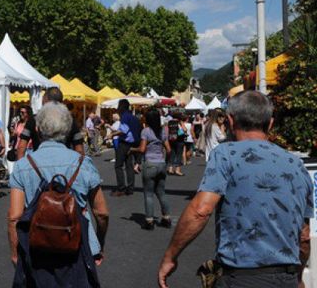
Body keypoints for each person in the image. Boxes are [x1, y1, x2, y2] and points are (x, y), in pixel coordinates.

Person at [158, 91, 312, 288]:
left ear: (230, 120)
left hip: (241, 277)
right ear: (270, 123)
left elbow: (200, 210)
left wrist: (171, 256)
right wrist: (297, 277)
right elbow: (304, 236)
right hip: (286, 278)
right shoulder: (296, 164)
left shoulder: (225, 154)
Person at [8, 102, 109, 287]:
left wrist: (16, 253)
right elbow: (101, 213)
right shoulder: (83, 163)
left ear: (38, 129)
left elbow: (14, 217)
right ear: (67, 130)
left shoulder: (23, 165)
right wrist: (99, 243)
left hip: (37, 248)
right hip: (77, 246)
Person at [130, 109, 172, 230]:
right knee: (161, 192)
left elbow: (142, 149)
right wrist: (166, 162)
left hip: (150, 164)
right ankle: (166, 218)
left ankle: (149, 221)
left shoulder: (146, 131)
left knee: (148, 194)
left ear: (147, 119)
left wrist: (132, 149)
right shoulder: (163, 131)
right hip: (161, 164)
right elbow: (168, 150)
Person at [15, 87, 85, 159]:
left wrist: (21, 165)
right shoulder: (70, 120)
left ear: (44, 100)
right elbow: (79, 150)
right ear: (61, 102)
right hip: (63, 163)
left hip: (38, 164)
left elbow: (21, 147)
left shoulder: (34, 119)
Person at [111, 99, 142, 197]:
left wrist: (111, 135)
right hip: (133, 144)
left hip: (124, 143)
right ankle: (130, 188)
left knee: (118, 166)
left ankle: (121, 188)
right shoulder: (134, 117)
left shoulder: (125, 116)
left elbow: (123, 130)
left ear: (121, 106)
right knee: (129, 166)